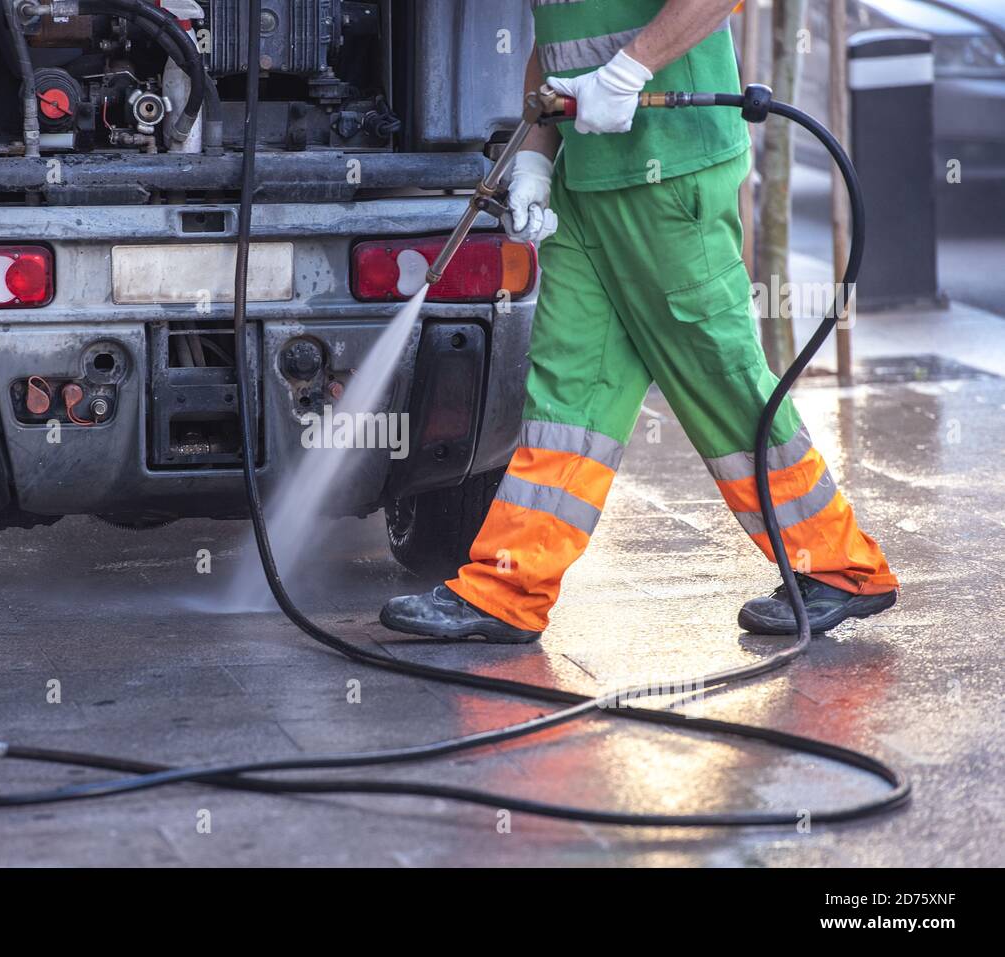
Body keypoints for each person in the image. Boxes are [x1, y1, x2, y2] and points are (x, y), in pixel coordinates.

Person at [381, 0, 898, 644]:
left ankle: (838, 567)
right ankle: (507, 589)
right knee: (568, 396)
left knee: (718, 376)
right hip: (587, 181)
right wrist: (535, 160)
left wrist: (628, 71)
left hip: (670, 172)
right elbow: (556, 47)